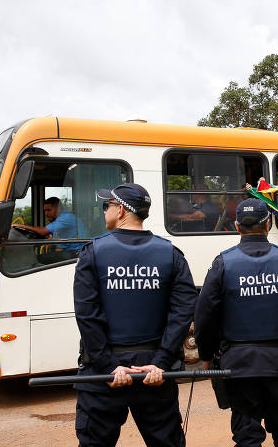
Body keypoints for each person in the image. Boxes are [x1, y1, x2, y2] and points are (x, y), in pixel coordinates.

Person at [73, 183, 197, 447]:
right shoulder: (171, 254)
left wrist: (108, 366)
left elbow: (87, 314)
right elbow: (183, 312)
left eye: (107, 205)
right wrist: (161, 362)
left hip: (104, 374)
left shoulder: (92, 252)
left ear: (120, 210)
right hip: (153, 370)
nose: (104, 210)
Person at [194, 198, 278, 447]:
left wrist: (206, 355)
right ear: (268, 224)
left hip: (238, 365)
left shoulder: (222, 264)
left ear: (237, 226)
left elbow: (204, 316)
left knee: (247, 435)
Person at [13, 196, 90, 260]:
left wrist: (21, 226)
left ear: (58, 208)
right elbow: (61, 247)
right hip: (73, 251)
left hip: (80, 253)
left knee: (38, 259)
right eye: (45, 211)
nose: (46, 213)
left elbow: (43, 231)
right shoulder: (61, 222)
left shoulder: (65, 218)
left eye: (49, 210)